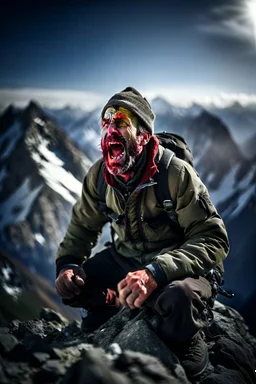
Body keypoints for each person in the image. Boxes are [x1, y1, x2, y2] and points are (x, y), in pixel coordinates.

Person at [55, 87, 229, 379]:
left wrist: (155, 273)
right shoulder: (100, 177)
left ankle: (187, 338)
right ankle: (125, 307)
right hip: (128, 259)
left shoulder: (176, 174)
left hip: (176, 263)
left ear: (144, 135)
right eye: (106, 121)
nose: (111, 129)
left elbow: (213, 238)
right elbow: (83, 226)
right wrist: (68, 265)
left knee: (180, 297)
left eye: (121, 121)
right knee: (77, 286)